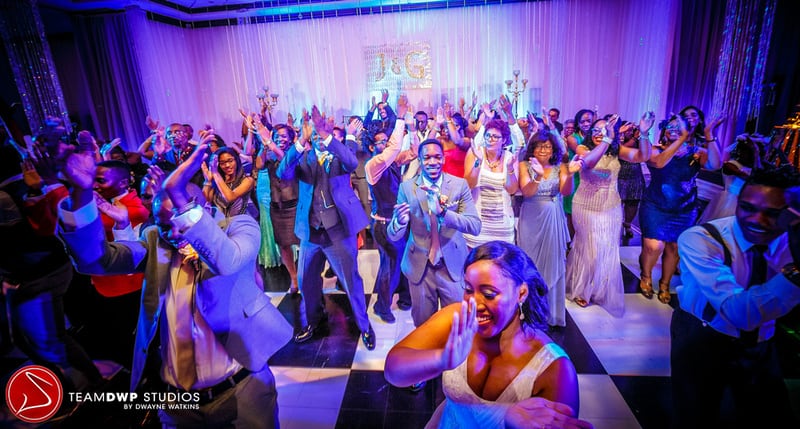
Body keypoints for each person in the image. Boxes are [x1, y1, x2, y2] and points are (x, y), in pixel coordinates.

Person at [57, 138, 292, 428]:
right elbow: (94, 260)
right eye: (164, 224)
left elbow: (226, 260)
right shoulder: (156, 240)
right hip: (177, 402)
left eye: (179, 220)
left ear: (201, 209)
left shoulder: (238, 227)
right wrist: (80, 193)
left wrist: (178, 196)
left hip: (242, 390)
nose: (172, 233)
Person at [384, 241, 592, 429]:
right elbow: (393, 371)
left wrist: (511, 424)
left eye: (489, 294)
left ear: (521, 293)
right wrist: (442, 359)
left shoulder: (554, 369)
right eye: (467, 289)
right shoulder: (457, 318)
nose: (474, 303)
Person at [671, 166, 800, 428]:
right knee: (697, 416)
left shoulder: (792, 242)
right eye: (748, 208)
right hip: (702, 338)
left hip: (762, 343)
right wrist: (796, 273)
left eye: (773, 214)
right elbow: (740, 314)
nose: (757, 220)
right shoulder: (702, 239)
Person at [277, 106, 376, 350]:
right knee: (306, 280)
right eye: (316, 135)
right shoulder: (304, 157)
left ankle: (364, 326)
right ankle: (314, 321)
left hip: (339, 230)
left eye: (324, 135)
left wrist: (326, 133)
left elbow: (353, 162)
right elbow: (282, 173)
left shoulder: (341, 155)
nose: (319, 139)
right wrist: (301, 139)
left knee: (351, 279)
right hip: (311, 231)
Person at [387, 138, 481, 327]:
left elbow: (474, 226)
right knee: (423, 326)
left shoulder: (458, 185)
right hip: (420, 267)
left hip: (452, 265)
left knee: (456, 323)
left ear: (443, 159)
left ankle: (452, 356)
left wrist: (444, 213)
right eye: (427, 157)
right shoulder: (406, 188)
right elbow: (393, 235)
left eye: (437, 157)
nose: (432, 162)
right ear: (420, 160)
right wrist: (399, 222)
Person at [566, 113, 652, 316]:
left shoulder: (617, 151)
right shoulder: (583, 148)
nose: (598, 133)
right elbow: (589, 162)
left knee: (606, 248)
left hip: (611, 207)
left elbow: (643, 157)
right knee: (589, 248)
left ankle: (599, 288)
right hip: (586, 206)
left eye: (603, 130)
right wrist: (607, 138)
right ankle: (583, 288)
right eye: (595, 130)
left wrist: (645, 134)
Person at [639, 115, 721, 303]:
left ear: (689, 130)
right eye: (670, 126)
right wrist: (681, 140)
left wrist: (709, 135)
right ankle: (646, 275)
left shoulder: (695, 152)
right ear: (663, 130)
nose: (674, 129)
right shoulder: (654, 150)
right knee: (653, 246)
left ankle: (665, 284)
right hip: (655, 205)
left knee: (674, 247)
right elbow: (660, 163)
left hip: (684, 208)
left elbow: (716, 165)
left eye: (679, 127)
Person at [518, 130, 581, 327]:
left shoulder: (560, 166)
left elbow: (566, 191)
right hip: (530, 219)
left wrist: (569, 174)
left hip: (552, 218)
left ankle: (550, 313)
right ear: (532, 148)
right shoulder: (523, 165)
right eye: (539, 146)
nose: (543, 150)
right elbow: (527, 192)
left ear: (553, 148)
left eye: (547, 146)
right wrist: (537, 176)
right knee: (530, 264)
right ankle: (529, 311)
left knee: (553, 262)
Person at [364, 113, 415, 323]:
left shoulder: (393, 160)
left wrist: (411, 129)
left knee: (403, 260)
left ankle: (404, 298)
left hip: (399, 220)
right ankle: (381, 306)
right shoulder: (373, 165)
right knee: (391, 266)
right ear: (371, 147)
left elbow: (413, 152)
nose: (385, 145)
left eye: (386, 141)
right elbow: (393, 150)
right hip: (384, 225)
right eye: (380, 143)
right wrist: (401, 119)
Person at [463, 118, 518, 248]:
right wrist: (478, 162)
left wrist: (510, 168)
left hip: (502, 223)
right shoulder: (475, 152)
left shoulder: (509, 157)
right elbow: (468, 185)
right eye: (488, 135)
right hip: (478, 221)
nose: (490, 139)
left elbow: (512, 190)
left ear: (504, 140)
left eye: (495, 137)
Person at [202, 147, 256, 218]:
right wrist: (207, 181)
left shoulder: (247, 180)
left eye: (230, 161)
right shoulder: (218, 181)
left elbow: (230, 197)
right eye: (222, 163)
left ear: (236, 160)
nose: (227, 165)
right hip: (220, 224)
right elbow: (206, 201)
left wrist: (215, 173)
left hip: (240, 223)